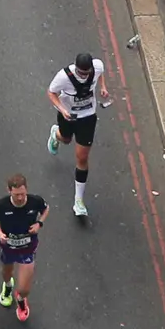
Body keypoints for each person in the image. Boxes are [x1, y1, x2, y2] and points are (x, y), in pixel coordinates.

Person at [45, 49, 105, 222]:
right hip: (68, 116)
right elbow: (51, 92)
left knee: (82, 158)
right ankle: (55, 134)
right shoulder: (63, 77)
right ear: (75, 68)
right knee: (66, 139)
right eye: (81, 73)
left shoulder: (97, 66)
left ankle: (78, 200)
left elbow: (101, 73)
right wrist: (63, 110)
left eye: (87, 73)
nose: (84, 76)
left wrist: (104, 88)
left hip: (87, 116)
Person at [0, 173, 49, 322]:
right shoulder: (2, 205)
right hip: (7, 246)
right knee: (6, 271)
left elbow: (46, 209)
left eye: (22, 194)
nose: (20, 198)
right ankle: (8, 286)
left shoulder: (35, 201)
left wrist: (39, 223)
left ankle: (21, 299)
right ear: (9, 191)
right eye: (16, 195)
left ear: (26, 189)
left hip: (27, 247)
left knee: (25, 288)